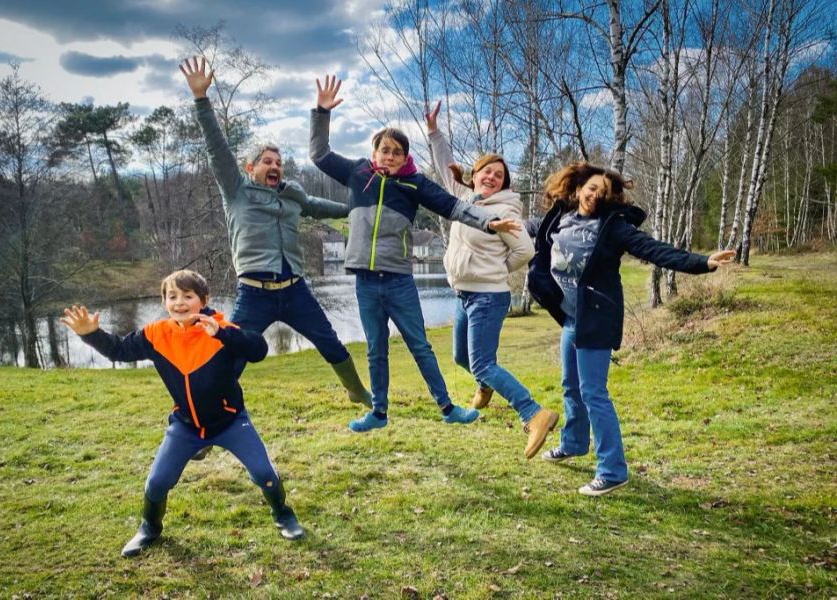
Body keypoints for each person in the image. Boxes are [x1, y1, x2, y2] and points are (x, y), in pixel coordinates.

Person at [309, 74, 522, 433]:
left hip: (399, 282)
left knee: (420, 346)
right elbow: (318, 153)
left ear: (404, 157)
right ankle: (378, 413)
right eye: (385, 150)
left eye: (397, 152)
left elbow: (455, 206)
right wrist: (321, 112)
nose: (390, 156)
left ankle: (447, 407)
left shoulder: (414, 184)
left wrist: (489, 222)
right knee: (376, 349)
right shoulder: (357, 173)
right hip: (365, 281)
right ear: (375, 152)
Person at [60, 269, 305, 557]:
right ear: (164, 301)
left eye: (187, 296)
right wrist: (92, 334)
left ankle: (283, 514)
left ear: (203, 300)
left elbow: (258, 350)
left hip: (229, 422)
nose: (179, 303)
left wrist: (223, 334)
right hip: (187, 426)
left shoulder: (220, 328)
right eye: (172, 296)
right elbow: (120, 351)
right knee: (157, 482)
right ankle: (149, 528)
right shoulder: (156, 334)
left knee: (263, 473)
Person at [179, 57, 372, 421]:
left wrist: (355, 206)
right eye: (267, 160)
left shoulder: (291, 195)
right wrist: (201, 100)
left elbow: (317, 206)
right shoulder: (236, 190)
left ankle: (354, 388)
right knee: (230, 355)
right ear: (251, 167)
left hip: (294, 289)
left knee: (329, 340)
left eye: (279, 161)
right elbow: (217, 149)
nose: (275, 166)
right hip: (254, 293)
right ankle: (206, 418)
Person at [527, 162, 735, 496]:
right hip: (570, 318)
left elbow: (654, 250)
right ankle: (575, 442)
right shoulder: (559, 218)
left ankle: (612, 471)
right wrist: (489, 223)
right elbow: (524, 230)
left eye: (604, 192)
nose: (596, 194)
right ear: (578, 188)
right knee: (571, 386)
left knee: (594, 392)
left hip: (596, 319)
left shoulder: (614, 227)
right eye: (592, 187)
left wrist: (702, 262)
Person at [425, 101, 560, 458]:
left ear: (503, 184)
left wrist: (495, 270)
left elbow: (525, 252)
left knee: (483, 360)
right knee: (460, 357)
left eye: (498, 175)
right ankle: (484, 387)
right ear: (475, 174)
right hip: (462, 294)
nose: (491, 177)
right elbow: (442, 168)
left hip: (488, 295)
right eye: (486, 172)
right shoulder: (464, 199)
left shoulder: (505, 210)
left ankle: (534, 413)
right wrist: (434, 132)